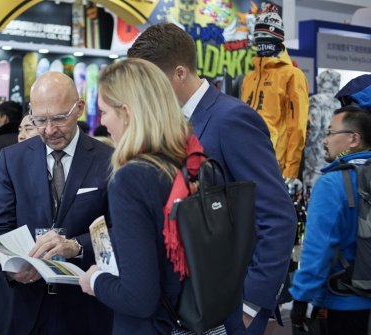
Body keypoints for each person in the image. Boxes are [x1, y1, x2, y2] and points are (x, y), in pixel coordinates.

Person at [128, 23, 296, 334]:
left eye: (152, 82)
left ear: (180, 73)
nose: (147, 93)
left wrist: (251, 303)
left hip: (229, 307)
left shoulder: (231, 119)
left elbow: (277, 215)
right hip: (189, 307)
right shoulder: (173, 125)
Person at [78, 58, 224, 334]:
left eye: (105, 112)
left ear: (127, 113)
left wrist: (96, 280)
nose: (104, 121)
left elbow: (139, 297)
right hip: (203, 322)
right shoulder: (195, 164)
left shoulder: (131, 179)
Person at [0, 71, 114, 335]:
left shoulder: (109, 160)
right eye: (39, 120)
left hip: (84, 308)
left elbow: (119, 229)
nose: (49, 130)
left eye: (58, 118)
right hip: (20, 309)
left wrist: (76, 246)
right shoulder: (11, 159)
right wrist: (12, 268)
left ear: (78, 109)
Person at [289, 105, 371, 335]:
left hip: (344, 305)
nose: (325, 140)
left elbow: (318, 248)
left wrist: (301, 299)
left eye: (330, 133)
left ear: (353, 139)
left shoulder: (332, 183)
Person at [241, 5, 309, 181]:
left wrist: (291, 172)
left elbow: (298, 128)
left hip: (273, 165)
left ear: (277, 38)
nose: (261, 42)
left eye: (266, 36)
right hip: (244, 159)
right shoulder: (249, 78)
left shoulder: (292, 75)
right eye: (258, 36)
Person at [303, 70, 341, 189]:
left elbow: (313, 129)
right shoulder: (341, 102)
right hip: (336, 159)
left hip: (316, 161)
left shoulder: (315, 100)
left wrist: (304, 148)